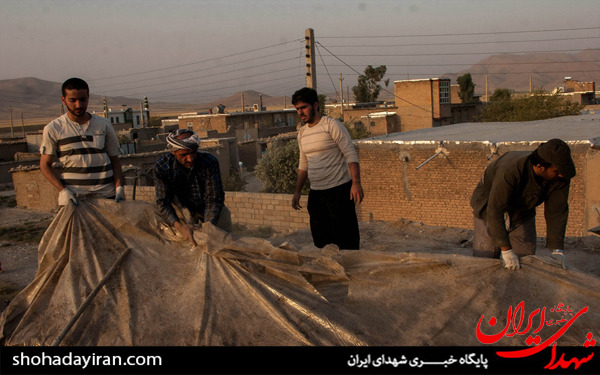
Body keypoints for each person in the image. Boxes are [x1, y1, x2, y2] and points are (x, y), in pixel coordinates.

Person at [470, 138, 576, 270]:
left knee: (525, 262)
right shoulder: (510, 171)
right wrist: (506, 250)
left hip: (523, 211)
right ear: (540, 167)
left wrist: (557, 249)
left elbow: (557, 211)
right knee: (485, 260)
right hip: (489, 207)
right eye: (556, 171)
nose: (561, 175)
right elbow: (495, 209)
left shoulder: (560, 177)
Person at [291, 87, 364, 250]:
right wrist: (297, 192)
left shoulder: (332, 125)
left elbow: (350, 153)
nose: (300, 112)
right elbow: (303, 164)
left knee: (346, 240)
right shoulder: (302, 133)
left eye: (303, 107)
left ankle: (349, 272)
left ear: (315, 105)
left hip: (339, 191)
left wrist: (356, 183)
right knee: (321, 241)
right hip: (317, 194)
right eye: (297, 109)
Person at [40, 78, 125, 206]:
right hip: (74, 199)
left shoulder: (104, 124)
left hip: (106, 195)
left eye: (83, 100)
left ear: (88, 98)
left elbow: (115, 159)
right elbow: (45, 165)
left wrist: (119, 187)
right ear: (63, 100)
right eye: (72, 100)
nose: (78, 105)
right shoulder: (54, 128)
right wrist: (63, 191)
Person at [153, 129, 231, 246]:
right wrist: (180, 226)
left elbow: (214, 199)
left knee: (224, 243)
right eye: (184, 155)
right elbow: (163, 202)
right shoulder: (162, 167)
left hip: (211, 210)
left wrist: (208, 226)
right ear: (173, 152)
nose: (190, 158)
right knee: (183, 246)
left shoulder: (209, 163)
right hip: (181, 212)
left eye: (193, 152)